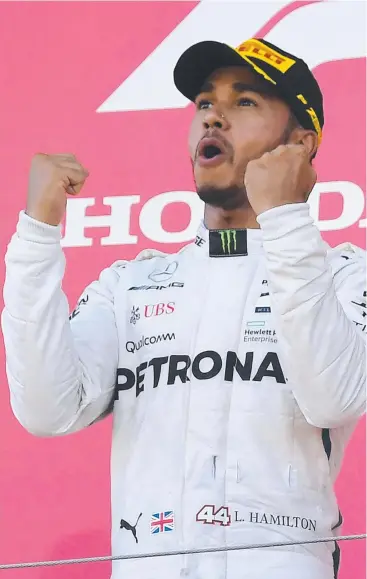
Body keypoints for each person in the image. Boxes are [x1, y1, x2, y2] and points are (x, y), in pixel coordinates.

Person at [2, 37, 366, 579]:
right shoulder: (131, 284)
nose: (213, 117)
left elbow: (333, 399)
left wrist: (286, 218)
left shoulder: (344, 276)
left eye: (244, 102)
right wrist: (36, 234)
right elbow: (48, 410)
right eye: (203, 103)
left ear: (300, 142)